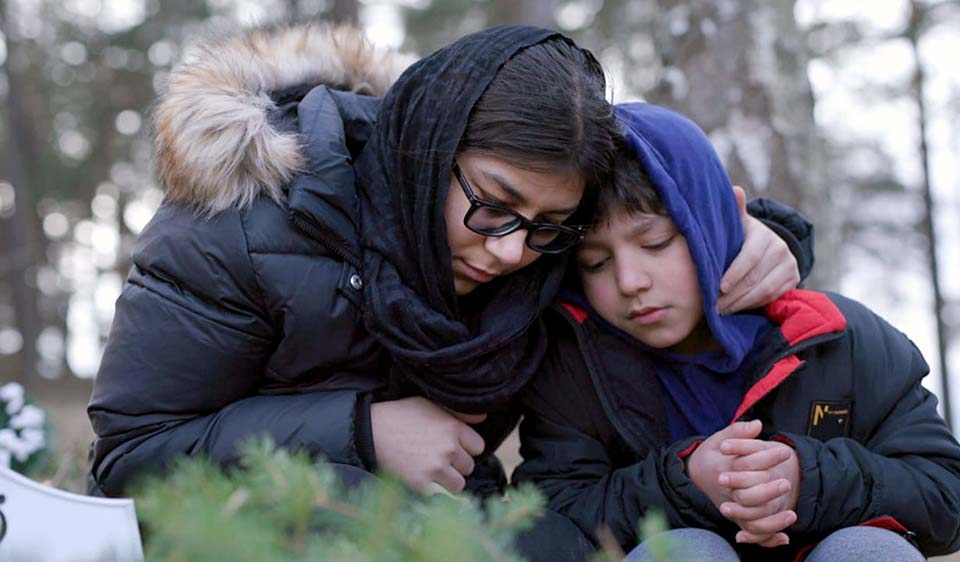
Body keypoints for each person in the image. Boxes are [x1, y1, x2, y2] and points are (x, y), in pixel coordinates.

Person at [86, 23, 808, 560]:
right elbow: (129, 459)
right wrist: (362, 430)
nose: (508, 252)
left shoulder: (532, 256)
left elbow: (652, 196)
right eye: (492, 203)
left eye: (549, 226)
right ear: (429, 148)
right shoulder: (243, 225)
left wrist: (762, 236)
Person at [511, 103, 960, 562]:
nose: (630, 281)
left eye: (655, 243)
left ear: (719, 221)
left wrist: (807, 480)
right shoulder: (575, 366)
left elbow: (948, 495)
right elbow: (554, 516)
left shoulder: (836, 337)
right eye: (596, 262)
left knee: (869, 552)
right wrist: (686, 483)